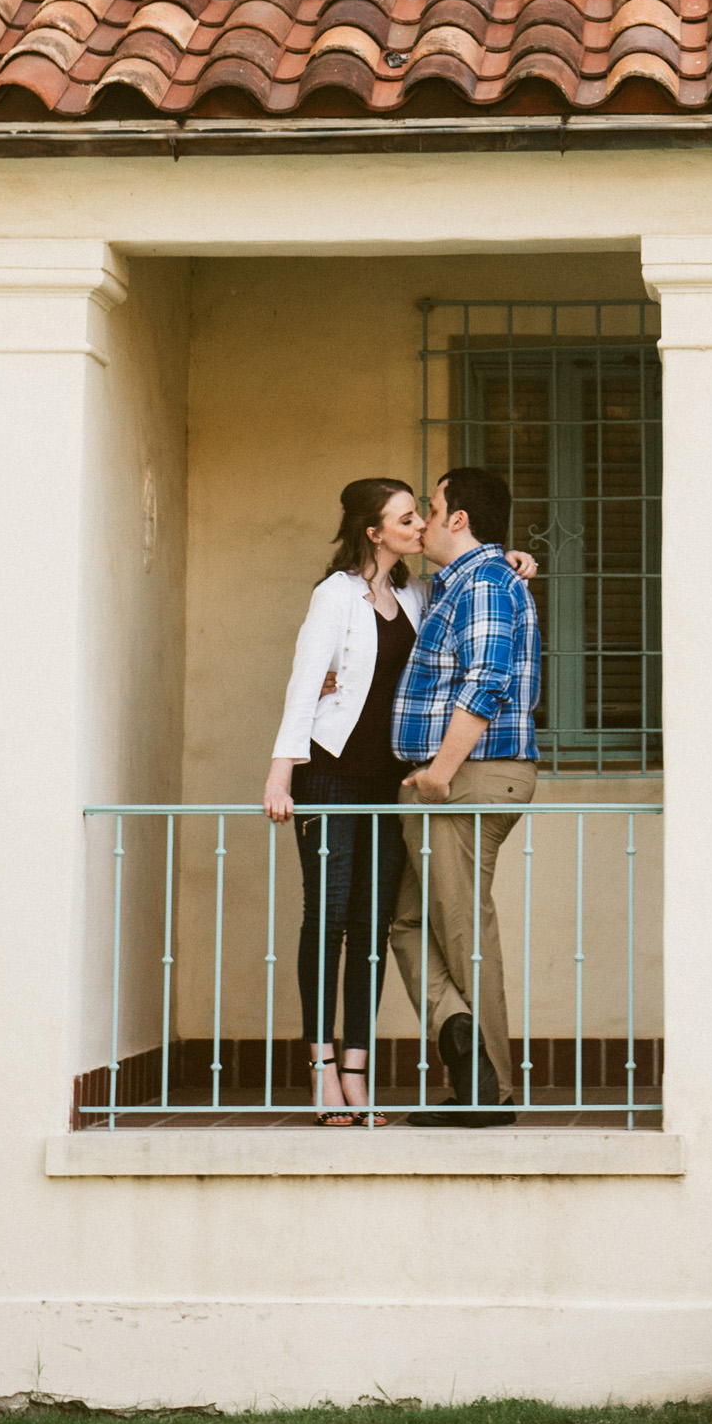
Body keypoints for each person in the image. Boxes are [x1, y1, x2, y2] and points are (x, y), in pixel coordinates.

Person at [264, 478, 424, 1127]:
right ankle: (322, 1070)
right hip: (328, 774)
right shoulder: (333, 596)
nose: (419, 525)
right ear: (373, 530)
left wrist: (512, 561)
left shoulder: (417, 592)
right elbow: (305, 685)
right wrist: (279, 777)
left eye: (419, 515)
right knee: (327, 920)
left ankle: (358, 1072)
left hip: (390, 781)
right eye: (406, 517)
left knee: (371, 927)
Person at [388, 465, 540, 1126]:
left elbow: (487, 679)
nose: (423, 516)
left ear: (460, 518)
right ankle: (462, 1040)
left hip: (470, 772)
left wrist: (441, 771)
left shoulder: (481, 582)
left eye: (433, 504)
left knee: (460, 928)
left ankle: (489, 1091)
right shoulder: (471, 579)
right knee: (412, 923)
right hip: (459, 773)